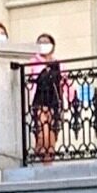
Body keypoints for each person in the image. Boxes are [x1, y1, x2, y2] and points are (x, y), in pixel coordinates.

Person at [28, 31, 68, 162]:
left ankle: (46, 162)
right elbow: (29, 81)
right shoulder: (32, 62)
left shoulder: (58, 63)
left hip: (55, 102)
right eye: (40, 42)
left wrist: (71, 98)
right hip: (40, 101)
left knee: (51, 137)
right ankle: (41, 160)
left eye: (46, 42)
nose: (43, 45)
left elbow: (65, 82)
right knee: (43, 135)